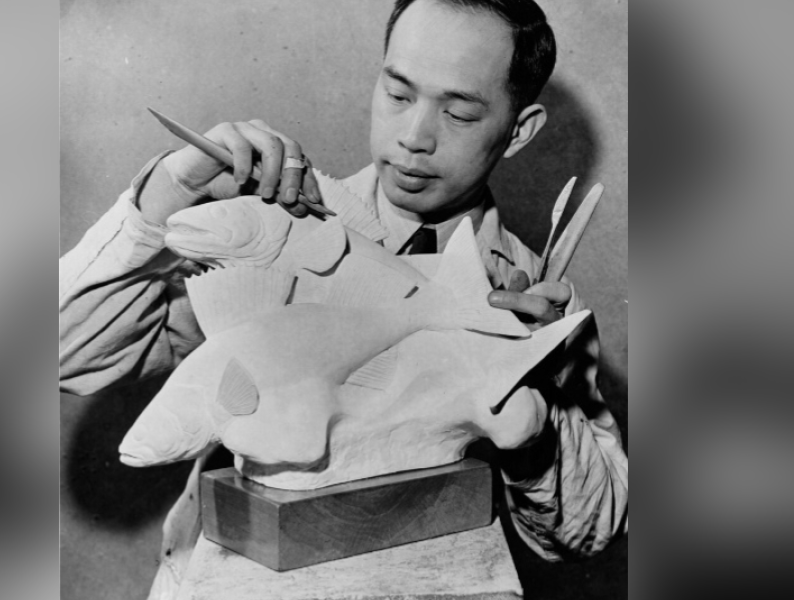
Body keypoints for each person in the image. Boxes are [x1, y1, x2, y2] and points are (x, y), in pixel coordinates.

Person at [60, 0, 628, 561]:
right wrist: (167, 193)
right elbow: (62, 357)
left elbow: (586, 534)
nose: (414, 137)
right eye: (397, 94)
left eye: (458, 113)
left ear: (519, 131)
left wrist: (542, 409)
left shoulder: (537, 300)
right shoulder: (266, 238)